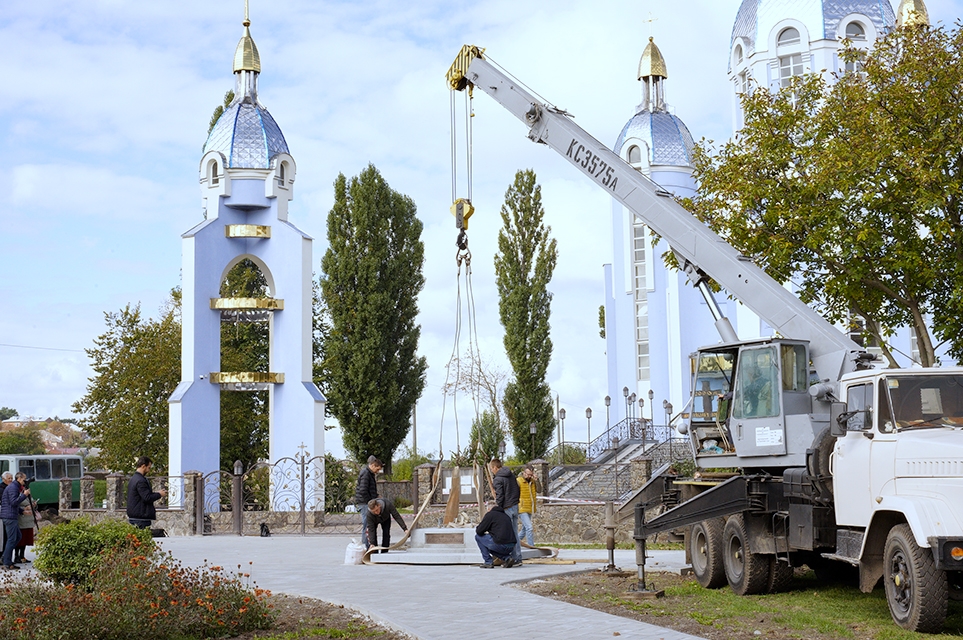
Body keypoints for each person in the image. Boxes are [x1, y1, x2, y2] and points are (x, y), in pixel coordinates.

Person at [489, 458, 521, 564]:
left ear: (495, 467)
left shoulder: (498, 479)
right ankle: (518, 557)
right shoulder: (510, 475)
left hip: (507, 508)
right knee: (515, 533)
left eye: (491, 469)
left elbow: (500, 496)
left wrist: (498, 508)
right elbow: (517, 488)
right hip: (515, 506)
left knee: (508, 535)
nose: (491, 471)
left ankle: (512, 558)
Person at [126, 456, 167, 530]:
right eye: (149, 468)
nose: (149, 471)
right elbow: (147, 497)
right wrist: (159, 494)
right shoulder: (141, 480)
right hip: (141, 517)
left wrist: (156, 493)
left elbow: (142, 495)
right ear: (143, 466)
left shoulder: (133, 479)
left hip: (135, 515)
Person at [1, 472, 30, 570]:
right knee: (12, 539)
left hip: (10, 515)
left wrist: (22, 511)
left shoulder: (13, 487)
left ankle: (5, 558)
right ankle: (6, 562)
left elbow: (11, 503)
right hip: (9, 517)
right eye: (24, 479)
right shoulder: (13, 487)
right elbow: (13, 502)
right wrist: (24, 495)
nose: (25, 481)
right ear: (19, 478)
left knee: (18, 537)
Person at [354, 456, 383, 549]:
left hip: (366, 502)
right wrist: (371, 502)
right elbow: (363, 491)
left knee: (369, 525)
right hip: (365, 503)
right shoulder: (366, 474)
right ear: (373, 465)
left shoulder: (369, 474)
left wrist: (376, 496)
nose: (377, 471)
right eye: (377, 469)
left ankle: (370, 546)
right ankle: (366, 547)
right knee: (367, 526)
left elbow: (368, 489)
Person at [14, 481, 36, 564]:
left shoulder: (28, 496)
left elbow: (32, 502)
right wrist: (25, 508)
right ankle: (17, 556)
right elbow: (15, 505)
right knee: (20, 540)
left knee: (26, 540)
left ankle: (22, 556)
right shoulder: (18, 495)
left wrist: (33, 504)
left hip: (29, 520)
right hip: (22, 519)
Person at [517, 464, 537, 548]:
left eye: (530, 474)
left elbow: (539, 490)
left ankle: (514, 542)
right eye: (528, 474)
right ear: (524, 472)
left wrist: (537, 480)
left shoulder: (532, 481)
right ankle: (531, 547)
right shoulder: (518, 481)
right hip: (521, 508)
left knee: (524, 529)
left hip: (530, 507)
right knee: (529, 528)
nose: (529, 476)